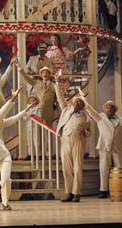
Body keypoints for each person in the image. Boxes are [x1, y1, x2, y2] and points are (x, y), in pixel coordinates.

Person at [54, 72, 91, 203]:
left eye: (79, 102)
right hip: (65, 140)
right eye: (76, 101)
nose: (76, 103)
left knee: (77, 168)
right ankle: (69, 193)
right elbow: (60, 98)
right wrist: (57, 83)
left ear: (82, 106)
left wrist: (84, 131)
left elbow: (90, 133)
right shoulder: (66, 109)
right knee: (67, 168)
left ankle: (77, 194)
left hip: (78, 141)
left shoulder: (86, 117)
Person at [84, 100, 121, 199]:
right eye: (108, 107)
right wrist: (85, 102)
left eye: (112, 107)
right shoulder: (101, 117)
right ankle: (103, 190)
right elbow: (91, 111)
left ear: (115, 109)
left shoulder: (120, 120)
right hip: (104, 146)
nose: (110, 109)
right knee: (104, 169)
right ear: (105, 109)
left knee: (119, 168)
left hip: (117, 147)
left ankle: (119, 189)